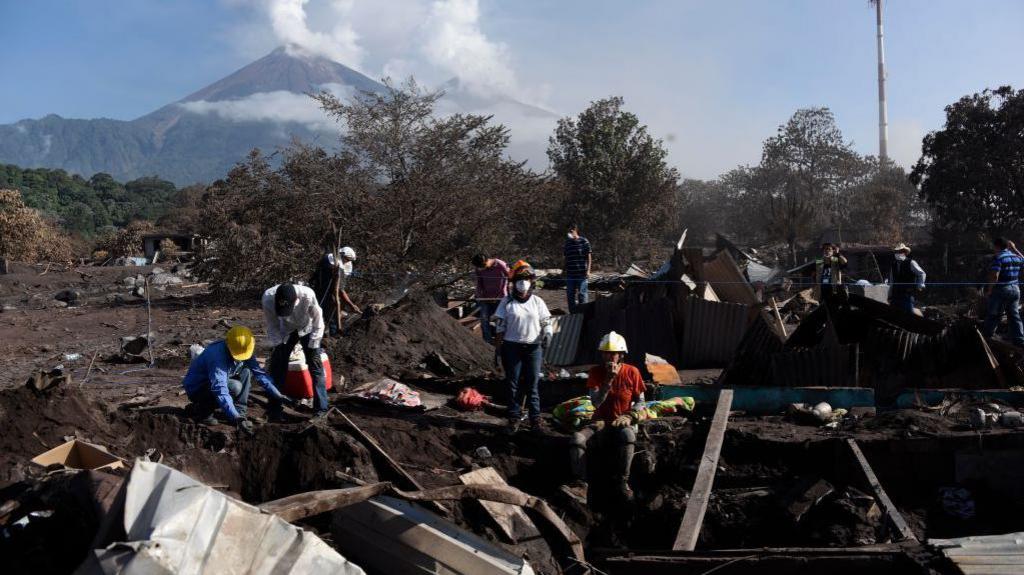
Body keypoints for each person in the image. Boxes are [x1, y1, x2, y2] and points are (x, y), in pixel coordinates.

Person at [563, 331, 645, 503]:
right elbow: (595, 403)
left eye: (613, 354)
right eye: (605, 353)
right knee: (577, 438)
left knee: (628, 435)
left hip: (621, 421)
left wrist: (630, 416)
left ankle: (623, 482)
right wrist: (608, 380)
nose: (609, 357)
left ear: (621, 355)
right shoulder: (595, 372)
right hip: (599, 422)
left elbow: (641, 402)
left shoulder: (632, 372)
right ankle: (581, 485)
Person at [182, 326, 291, 434]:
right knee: (235, 386)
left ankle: (240, 412)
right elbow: (220, 389)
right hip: (198, 389)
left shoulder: (244, 347)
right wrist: (235, 417)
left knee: (246, 372)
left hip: (214, 383)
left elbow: (259, 373)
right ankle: (204, 413)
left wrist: (278, 395)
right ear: (229, 345)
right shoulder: (216, 356)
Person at [494, 263, 552, 432]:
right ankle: (514, 417)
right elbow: (500, 326)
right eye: (519, 279)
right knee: (513, 383)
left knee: (532, 384)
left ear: (531, 281)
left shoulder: (537, 302)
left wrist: (548, 334)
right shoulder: (507, 302)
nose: (523, 283)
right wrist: (497, 349)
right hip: (512, 347)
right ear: (513, 282)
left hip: (533, 348)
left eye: (526, 279)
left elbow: (546, 321)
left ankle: (535, 418)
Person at [262, 282, 330, 416]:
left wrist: (314, 344)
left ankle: (321, 409)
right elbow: (272, 325)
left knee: (315, 366)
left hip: (307, 328)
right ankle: (274, 407)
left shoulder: (308, 295)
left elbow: (318, 321)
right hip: (285, 330)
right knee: (278, 367)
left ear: (296, 300)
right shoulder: (268, 298)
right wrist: (279, 344)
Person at [982, 237, 1024, 346]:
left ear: (997, 246)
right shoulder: (1016, 257)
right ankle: (1020, 340)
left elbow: (995, 276)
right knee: (1014, 316)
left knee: (994, 314)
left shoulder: (999, 258)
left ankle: (986, 337)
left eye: (994, 246)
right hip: (1015, 289)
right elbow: (1023, 259)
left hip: (1001, 290)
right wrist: (1014, 249)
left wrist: (989, 290)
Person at [312, 245, 361, 336]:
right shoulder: (334, 265)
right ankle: (333, 334)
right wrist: (351, 305)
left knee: (322, 312)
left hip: (320, 289)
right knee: (330, 312)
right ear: (344, 257)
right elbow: (341, 290)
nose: (348, 262)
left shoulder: (329, 259)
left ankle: (326, 332)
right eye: (348, 260)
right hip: (324, 292)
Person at [471, 253, 509, 344]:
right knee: (484, 319)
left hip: (500, 298)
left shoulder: (500, 264)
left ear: (487, 260)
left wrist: (504, 294)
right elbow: (479, 283)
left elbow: (509, 277)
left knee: (499, 320)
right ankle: (487, 341)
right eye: (479, 267)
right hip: (485, 298)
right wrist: (479, 295)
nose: (481, 269)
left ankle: (501, 341)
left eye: (483, 266)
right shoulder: (478, 268)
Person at [887, 243, 926, 313]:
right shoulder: (893, 265)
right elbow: (892, 282)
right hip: (895, 296)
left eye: (900, 251)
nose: (898, 253)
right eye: (896, 252)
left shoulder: (911, 263)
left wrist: (920, 284)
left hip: (907, 295)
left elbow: (921, 273)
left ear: (904, 253)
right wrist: (889, 295)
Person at [563, 223, 592, 313]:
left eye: (571, 231)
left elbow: (589, 257)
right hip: (570, 274)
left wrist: (588, 271)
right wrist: (563, 270)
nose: (569, 233)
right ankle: (573, 314)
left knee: (582, 295)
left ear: (575, 230)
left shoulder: (584, 241)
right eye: (568, 231)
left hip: (582, 274)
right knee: (570, 295)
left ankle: (584, 315)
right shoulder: (567, 243)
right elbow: (566, 258)